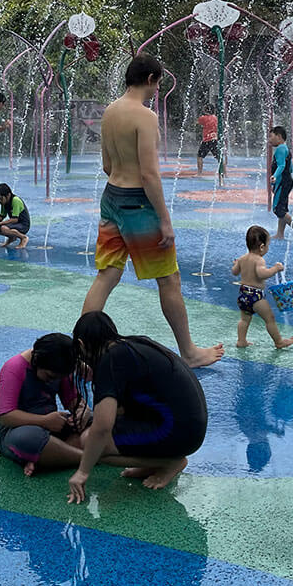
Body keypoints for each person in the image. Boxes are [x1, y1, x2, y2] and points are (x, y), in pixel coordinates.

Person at [83, 53, 224, 368]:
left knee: (107, 275)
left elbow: (107, 165)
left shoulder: (109, 111)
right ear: (150, 80)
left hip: (112, 198)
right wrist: (164, 220)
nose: (158, 89)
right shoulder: (145, 116)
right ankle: (188, 352)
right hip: (138, 203)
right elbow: (149, 175)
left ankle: (83, 347)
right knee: (169, 279)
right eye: (158, 83)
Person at [66, 311, 209, 502]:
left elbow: (102, 428)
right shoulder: (132, 346)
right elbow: (122, 410)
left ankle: (170, 462)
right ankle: (153, 462)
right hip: (191, 427)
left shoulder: (109, 360)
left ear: (82, 345)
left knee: (91, 443)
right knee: (100, 437)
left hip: (178, 433)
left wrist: (83, 472)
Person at [0, 333, 86, 476]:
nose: (52, 381)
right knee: (28, 439)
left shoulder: (60, 366)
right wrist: (44, 421)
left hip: (53, 427)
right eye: (50, 377)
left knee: (93, 421)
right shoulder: (14, 368)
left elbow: (73, 401)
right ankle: (88, 458)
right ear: (37, 361)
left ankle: (48, 458)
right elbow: (5, 415)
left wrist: (82, 411)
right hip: (16, 432)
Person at [232, 226, 293, 350]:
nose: (268, 248)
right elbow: (262, 274)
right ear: (261, 247)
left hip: (243, 294)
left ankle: (241, 340)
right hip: (256, 297)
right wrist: (275, 269)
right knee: (269, 319)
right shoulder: (259, 260)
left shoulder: (242, 258)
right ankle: (279, 341)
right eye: (268, 245)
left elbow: (234, 272)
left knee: (244, 320)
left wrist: (236, 264)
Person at [266, 125, 293, 242]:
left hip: (282, 182)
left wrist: (275, 177)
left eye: (271, 136)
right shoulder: (285, 148)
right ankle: (280, 234)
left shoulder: (280, 149)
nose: (269, 139)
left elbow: (281, 165)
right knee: (282, 208)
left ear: (279, 136)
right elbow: (290, 168)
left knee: (278, 209)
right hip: (286, 181)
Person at [0, 182, 32, 248]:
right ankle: (12, 238)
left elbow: (15, 220)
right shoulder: (4, 203)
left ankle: (23, 238)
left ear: (8, 195)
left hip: (23, 225)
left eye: (1, 198)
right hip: (15, 225)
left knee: (3, 228)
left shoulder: (15, 200)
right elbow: (1, 217)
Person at [195, 113, 221, 177]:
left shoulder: (203, 118)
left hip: (206, 140)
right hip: (214, 139)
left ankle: (199, 173)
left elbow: (197, 123)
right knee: (220, 158)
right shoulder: (216, 118)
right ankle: (224, 173)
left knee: (199, 157)